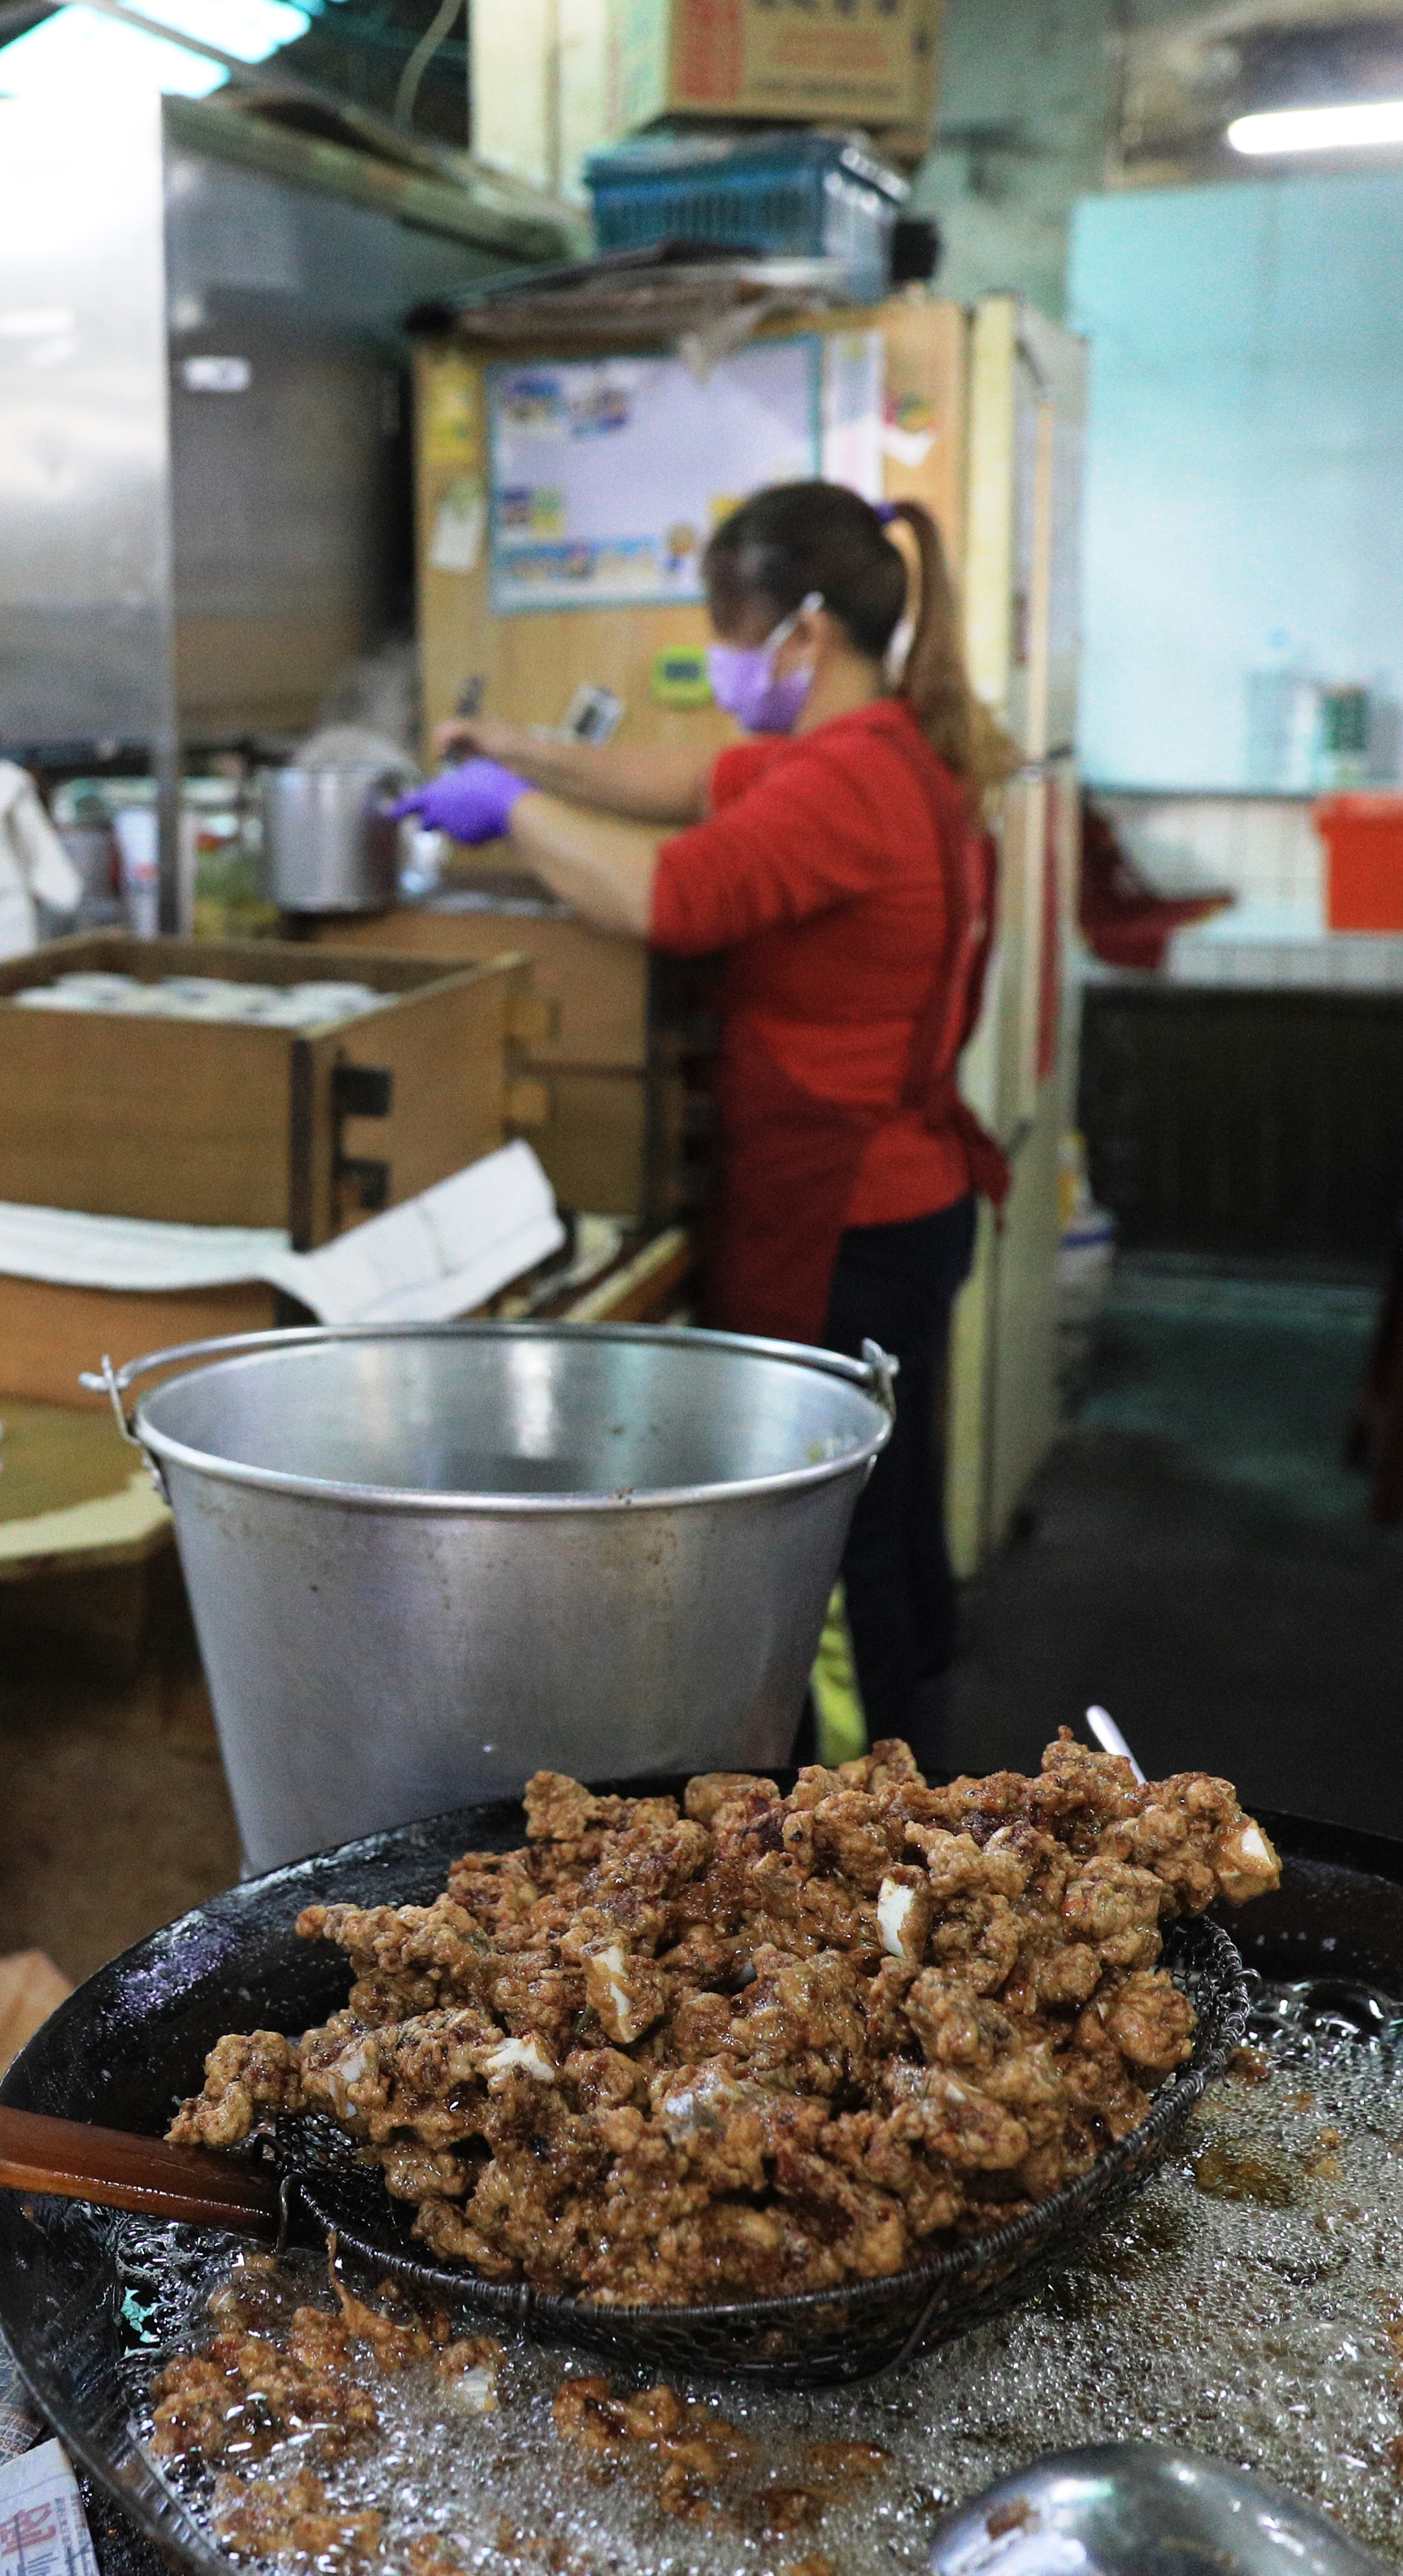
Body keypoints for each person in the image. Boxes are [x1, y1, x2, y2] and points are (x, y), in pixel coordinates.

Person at [401, 483, 1013, 1762]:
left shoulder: (843, 782)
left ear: (805, 634)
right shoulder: (881, 747)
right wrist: (511, 746)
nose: (725, 665)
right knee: (884, 1517)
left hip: (844, 1212)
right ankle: (921, 1791)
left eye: (729, 633)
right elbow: (679, 777)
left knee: (825, 1556)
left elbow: (669, 895)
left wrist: (504, 812)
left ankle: (867, 1834)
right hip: (899, 1201)